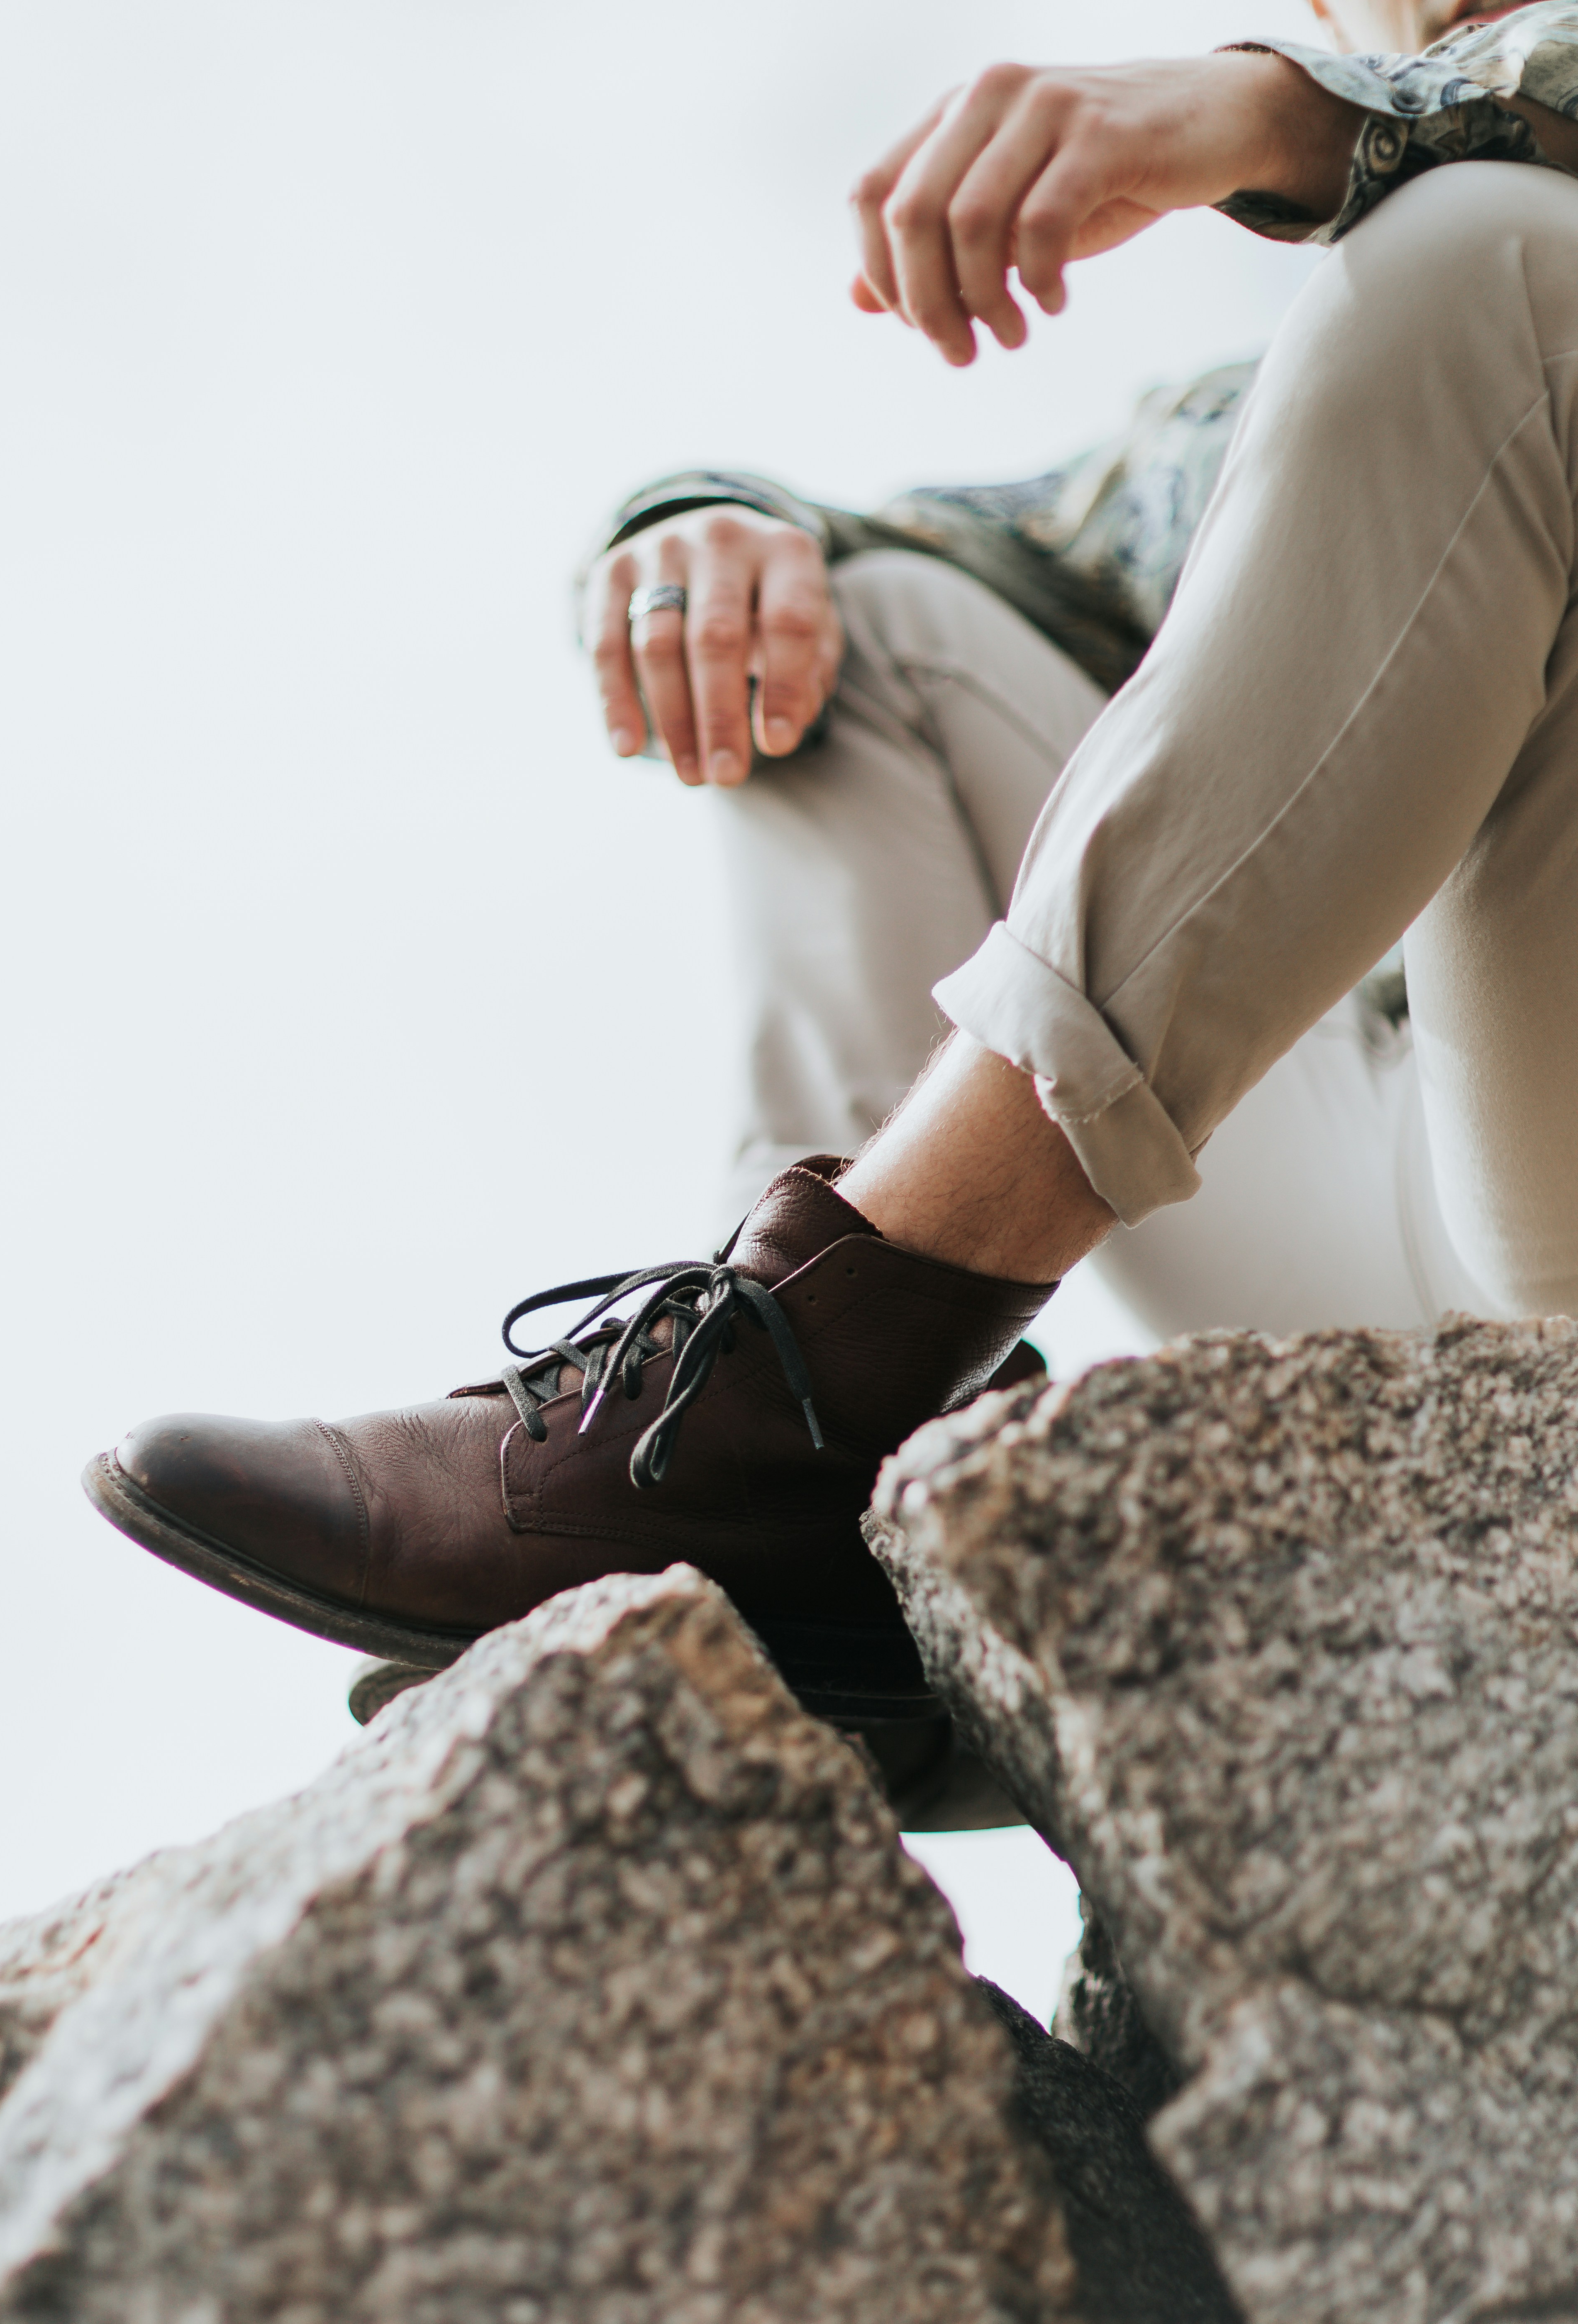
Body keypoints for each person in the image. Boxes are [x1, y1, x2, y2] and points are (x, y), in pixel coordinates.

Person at [85, 0, 1578, 1722]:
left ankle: (802, 1386)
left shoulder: (1482, 283)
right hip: (1422, 1258)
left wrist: (1288, 117)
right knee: (852, 641)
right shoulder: (1299, 395)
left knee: (1495, 270)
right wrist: (705, 537)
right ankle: (826, 1495)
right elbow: (924, 559)